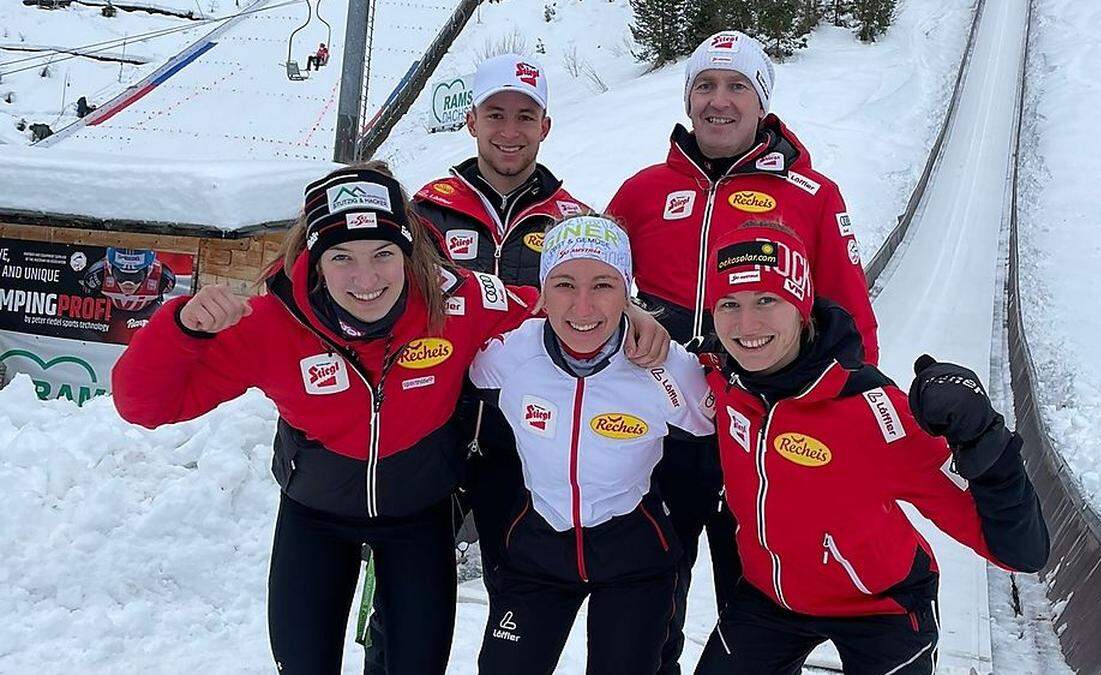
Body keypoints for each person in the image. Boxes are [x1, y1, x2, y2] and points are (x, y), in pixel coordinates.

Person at [110, 162, 542, 675]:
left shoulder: (458, 302)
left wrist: (629, 320)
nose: (366, 279)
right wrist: (182, 329)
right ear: (316, 261)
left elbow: (552, 314)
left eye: (383, 254)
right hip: (315, 516)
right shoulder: (271, 324)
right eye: (342, 258)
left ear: (408, 252)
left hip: (418, 514)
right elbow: (144, 405)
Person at [605, 30, 881, 673]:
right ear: (687, 98)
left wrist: (857, 422)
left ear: (763, 103)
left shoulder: (812, 194)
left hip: (762, 429)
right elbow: (591, 289)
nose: (719, 101)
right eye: (705, 85)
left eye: (737, 86)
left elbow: (851, 313)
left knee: (757, 601)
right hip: (660, 422)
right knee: (649, 593)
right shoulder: (643, 190)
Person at [693, 222, 1050, 674]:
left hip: (881, 608)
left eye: (768, 300)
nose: (747, 326)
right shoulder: (723, 379)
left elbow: (1022, 552)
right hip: (771, 597)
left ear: (802, 304)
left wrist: (983, 437)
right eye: (729, 304)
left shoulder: (875, 413)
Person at [363, 53, 602, 673]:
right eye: (495, 113)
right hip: (430, 430)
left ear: (545, 126)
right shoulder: (423, 211)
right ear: (471, 120)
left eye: (525, 116)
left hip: (523, 441)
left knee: (519, 599)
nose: (509, 129)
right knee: (404, 602)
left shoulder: (572, 221)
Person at [470, 215, 714, 674]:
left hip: (633, 556)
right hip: (538, 549)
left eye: (603, 285)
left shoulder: (665, 367)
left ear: (628, 292)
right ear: (541, 291)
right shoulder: (507, 355)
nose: (582, 308)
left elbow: (716, 426)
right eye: (564, 284)